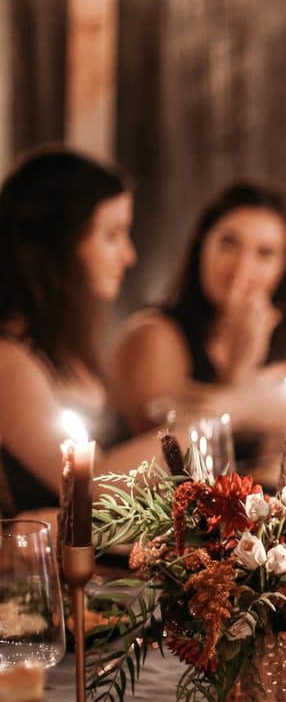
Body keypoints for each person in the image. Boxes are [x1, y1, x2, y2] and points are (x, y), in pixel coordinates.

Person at [0, 145, 170, 522]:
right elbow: (91, 483)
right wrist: (200, 430)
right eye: (112, 235)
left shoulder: (66, 348)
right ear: (59, 245)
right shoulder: (9, 360)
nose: (129, 255)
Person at [108, 182, 286, 462]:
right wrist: (240, 374)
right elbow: (172, 463)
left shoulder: (279, 339)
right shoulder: (153, 335)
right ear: (202, 246)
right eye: (229, 244)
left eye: (265, 253)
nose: (242, 268)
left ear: (284, 268)